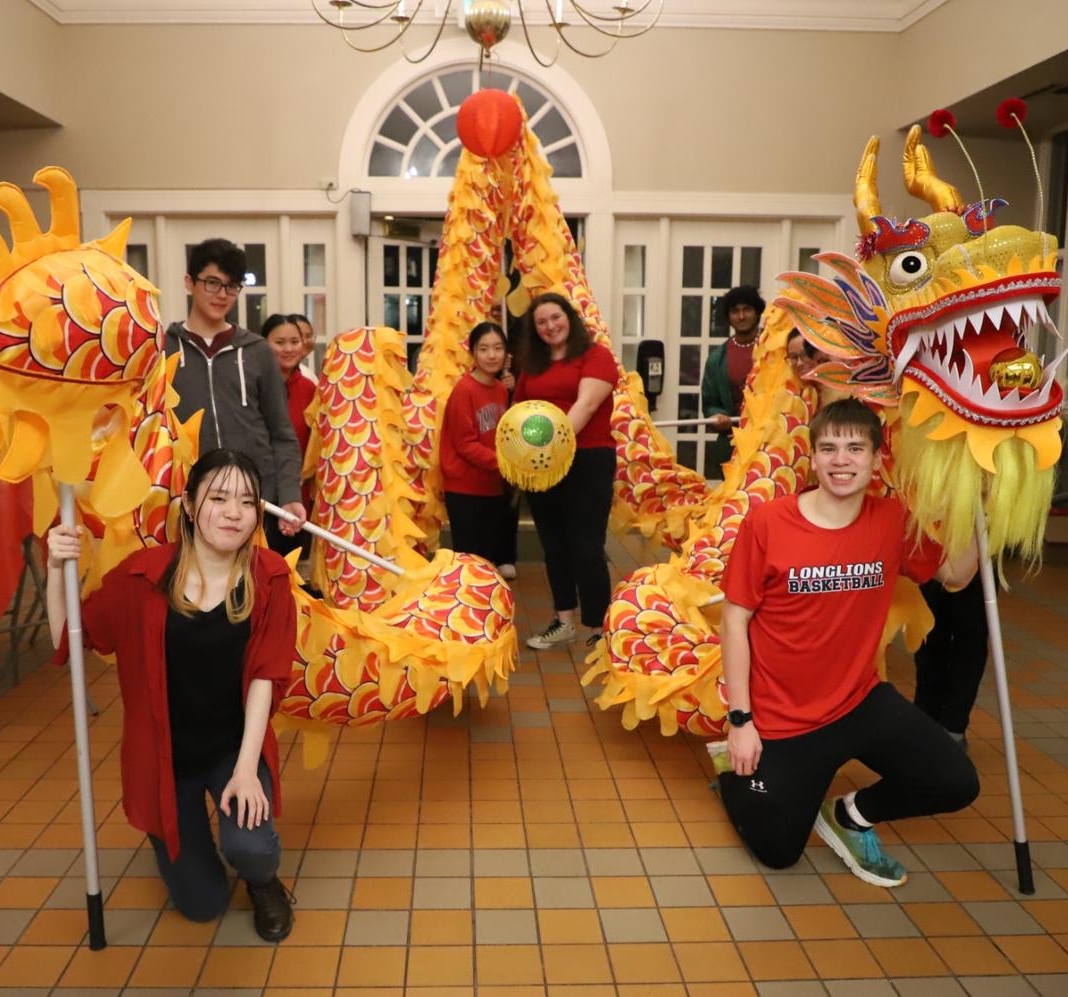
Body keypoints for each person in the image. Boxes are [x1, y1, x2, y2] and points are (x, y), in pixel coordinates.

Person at [718, 398, 980, 887]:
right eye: (829, 448)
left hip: (859, 700)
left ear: (877, 459)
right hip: (782, 717)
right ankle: (735, 771)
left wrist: (981, 500)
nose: (842, 460)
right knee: (778, 852)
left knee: (956, 781)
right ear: (813, 458)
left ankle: (851, 814)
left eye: (855, 448)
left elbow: (957, 575)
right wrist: (741, 721)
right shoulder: (769, 523)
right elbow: (734, 621)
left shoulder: (890, 520)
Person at [46, 449, 296, 940]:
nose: (232, 512)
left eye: (246, 502)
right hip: (165, 759)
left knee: (251, 847)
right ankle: (180, 840)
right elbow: (68, 637)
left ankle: (264, 882)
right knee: (202, 905)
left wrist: (247, 769)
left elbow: (266, 676)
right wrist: (57, 567)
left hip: (231, 748)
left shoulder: (269, 577)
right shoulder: (144, 577)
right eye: (218, 498)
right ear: (188, 503)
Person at [165, 239, 305, 554]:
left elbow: (282, 434)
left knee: (257, 589)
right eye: (213, 283)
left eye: (231, 287)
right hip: (187, 502)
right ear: (190, 282)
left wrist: (289, 493)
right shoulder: (163, 349)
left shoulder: (257, 351)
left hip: (255, 502)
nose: (222, 295)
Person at [513, 292, 619, 650]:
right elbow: (521, 413)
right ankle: (564, 621)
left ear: (569, 318)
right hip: (543, 465)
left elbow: (585, 406)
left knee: (587, 547)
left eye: (555, 318)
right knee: (554, 547)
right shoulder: (533, 364)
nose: (549, 327)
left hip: (587, 460)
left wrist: (546, 446)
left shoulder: (596, 356)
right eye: (541, 322)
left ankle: (600, 628)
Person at [440, 322, 513, 568]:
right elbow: (465, 444)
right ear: (473, 353)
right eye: (483, 349)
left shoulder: (501, 390)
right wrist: (505, 463)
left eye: (497, 348)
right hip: (465, 488)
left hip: (492, 486)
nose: (491, 355)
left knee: (487, 561)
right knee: (468, 563)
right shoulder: (464, 389)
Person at [913, 573, 989, 750]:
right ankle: (925, 717)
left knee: (969, 642)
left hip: (977, 561)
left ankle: (953, 724)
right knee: (928, 636)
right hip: (934, 557)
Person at [262, 314, 317, 554]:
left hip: (297, 496)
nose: (289, 349)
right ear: (263, 344)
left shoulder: (309, 389)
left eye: (294, 342)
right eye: (280, 342)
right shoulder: (252, 386)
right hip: (259, 495)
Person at [701, 286, 765, 479]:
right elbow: (710, 404)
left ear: (757, 312)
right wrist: (716, 416)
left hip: (770, 442)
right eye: (735, 311)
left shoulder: (775, 349)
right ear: (728, 317)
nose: (741, 316)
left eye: (747, 309)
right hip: (731, 446)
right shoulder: (717, 359)